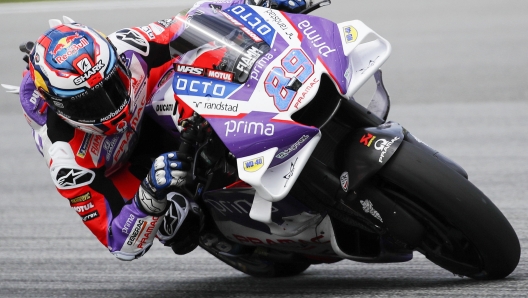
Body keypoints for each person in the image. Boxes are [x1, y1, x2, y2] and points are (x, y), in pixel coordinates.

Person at [18, 0, 307, 261]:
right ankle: (234, 238)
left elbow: (193, 22)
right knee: (176, 223)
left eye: (113, 83)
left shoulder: (129, 46)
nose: (109, 105)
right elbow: (120, 244)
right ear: (60, 108)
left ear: (116, 59)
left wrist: (258, 7)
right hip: (124, 168)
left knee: (210, 59)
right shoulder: (66, 160)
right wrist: (149, 195)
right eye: (89, 104)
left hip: (152, 105)